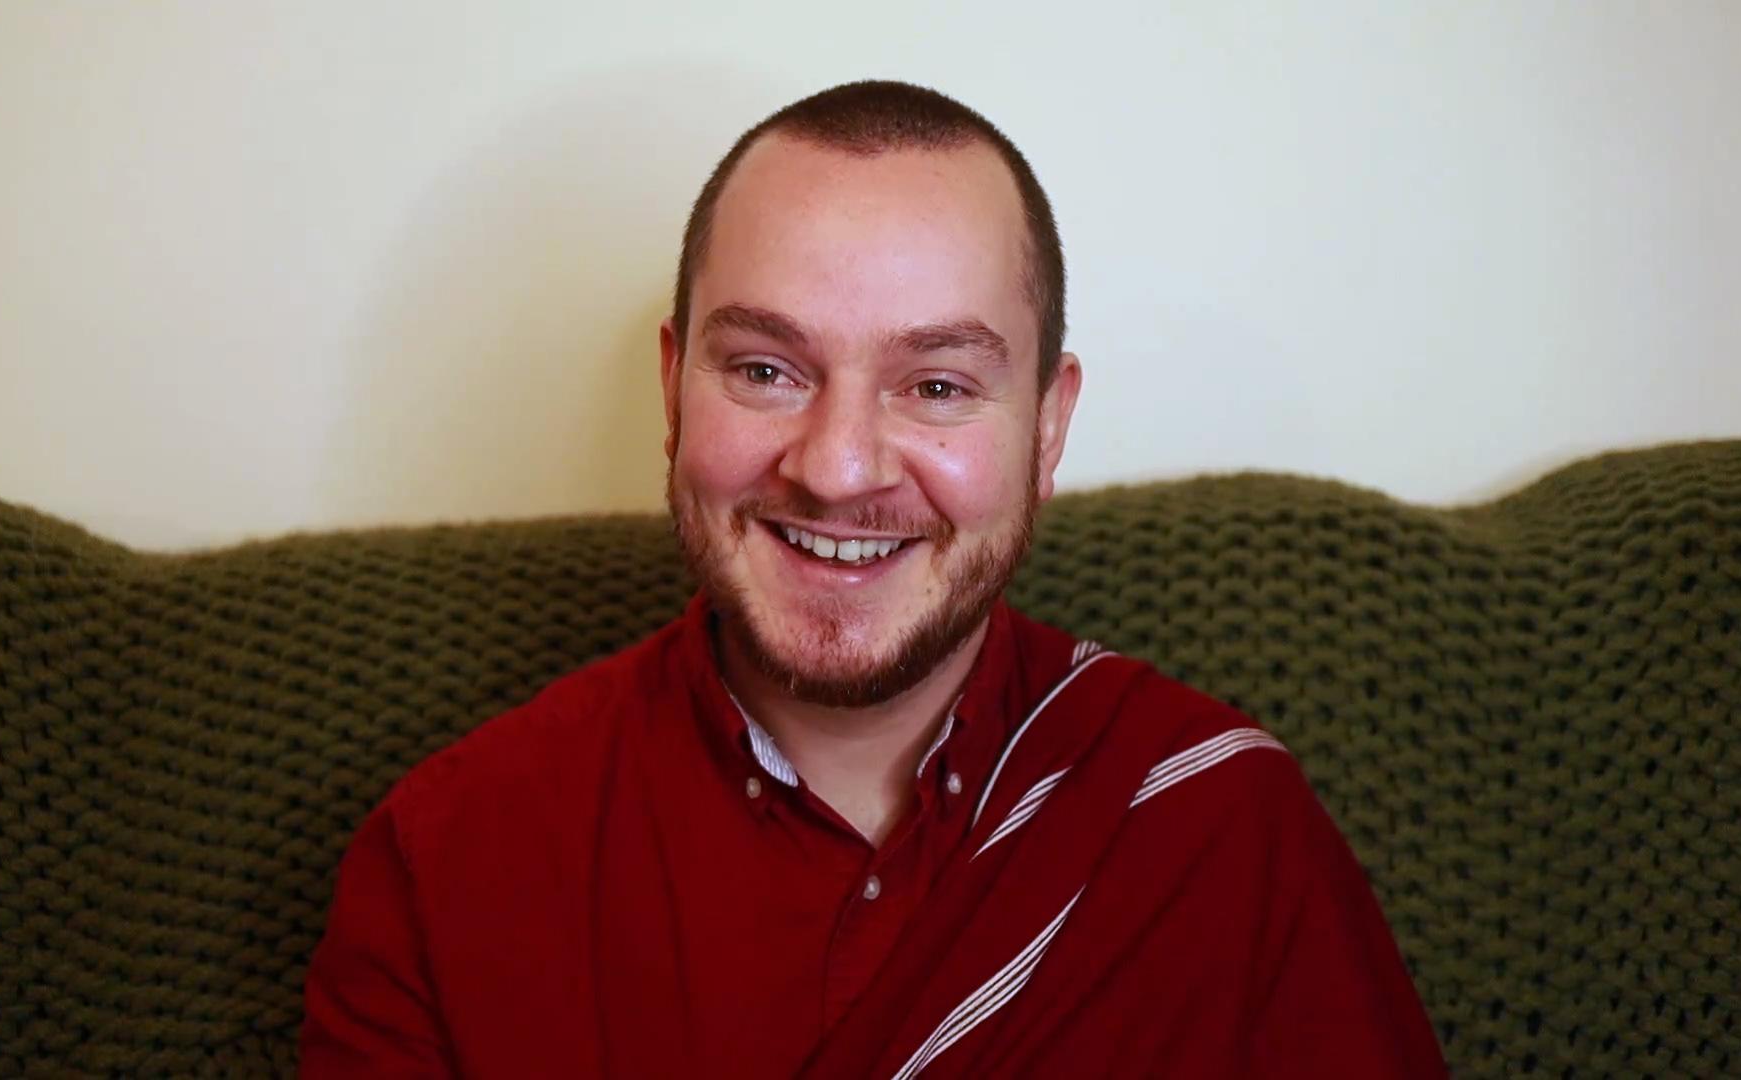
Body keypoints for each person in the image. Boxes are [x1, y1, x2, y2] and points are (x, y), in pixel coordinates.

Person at [300, 80, 1447, 1079]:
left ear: (1048, 429)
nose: (838, 469)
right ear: (673, 389)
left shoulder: (1217, 825)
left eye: (938, 386)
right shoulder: (446, 864)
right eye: (766, 369)